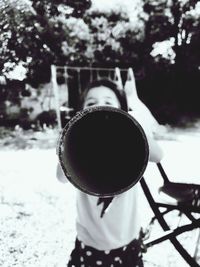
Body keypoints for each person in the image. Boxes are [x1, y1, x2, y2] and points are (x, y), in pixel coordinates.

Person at [56, 78, 163, 267]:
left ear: (122, 110)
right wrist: (70, 140)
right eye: (91, 103)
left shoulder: (129, 139)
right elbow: (61, 176)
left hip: (127, 241)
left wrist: (134, 118)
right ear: (80, 112)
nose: (99, 106)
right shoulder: (78, 140)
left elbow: (157, 155)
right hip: (90, 244)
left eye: (108, 102)